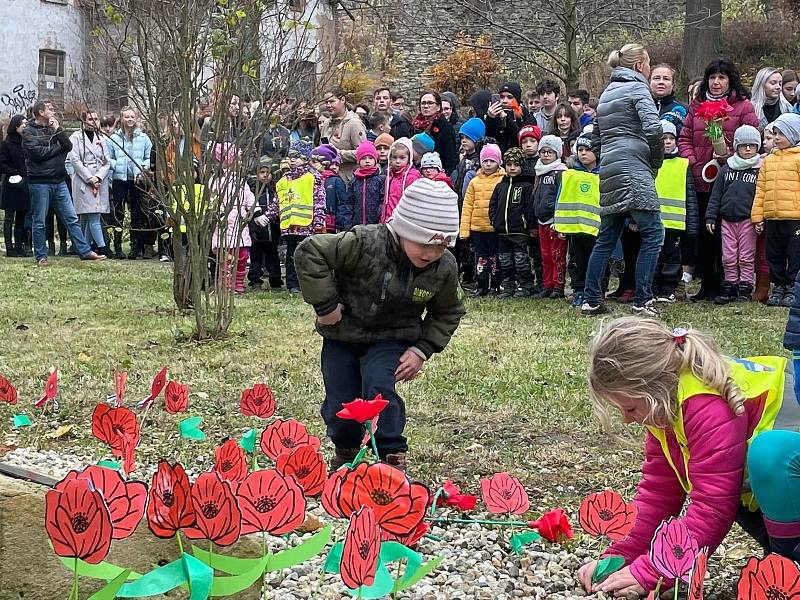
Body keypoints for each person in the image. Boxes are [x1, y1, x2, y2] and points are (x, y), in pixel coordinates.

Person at [580, 317, 798, 596]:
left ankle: (789, 569)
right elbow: (659, 493)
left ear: (653, 389)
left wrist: (653, 572)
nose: (626, 419)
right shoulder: (666, 405)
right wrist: (620, 556)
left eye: (631, 409)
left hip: (788, 475)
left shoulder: (705, 404)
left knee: (765, 456)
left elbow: (713, 507)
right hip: (784, 493)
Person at [294, 178, 466, 473]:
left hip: (392, 338)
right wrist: (326, 306)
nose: (431, 254)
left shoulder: (443, 267)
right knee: (341, 401)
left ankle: (391, 454)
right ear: (404, 230)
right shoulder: (364, 242)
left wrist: (421, 350)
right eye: (424, 244)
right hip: (342, 335)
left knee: (379, 388)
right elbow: (310, 252)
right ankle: (346, 449)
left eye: (440, 247)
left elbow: (449, 311)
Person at [580, 43, 664, 317]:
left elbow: (596, 138)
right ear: (640, 64)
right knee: (653, 232)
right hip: (635, 165)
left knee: (606, 237)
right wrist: (654, 162)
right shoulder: (639, 88)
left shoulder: (606, 94)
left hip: (611, 168)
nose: (650, 70)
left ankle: (590, 298)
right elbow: (653, 128)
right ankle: (643, 298)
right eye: (649, 64)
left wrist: (607, 161)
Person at [678, 58, 759, 302]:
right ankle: (707, 284)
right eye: (712, 78)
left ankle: (730, 282)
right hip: (702, 180)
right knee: (705, 233)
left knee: (729, 236)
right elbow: (685, 139)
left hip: (733, 181)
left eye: (721, 78)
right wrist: (696, 165)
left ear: (730, 80)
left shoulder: (743, 107)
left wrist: (729, 159)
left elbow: (752, 141)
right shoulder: (696, 106)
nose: (716, 82)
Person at [22, 100, 105, 265]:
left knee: (71, 218)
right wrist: (57, 149)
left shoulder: (54, 129)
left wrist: (58, 130)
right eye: (50, 109)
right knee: (40, 221)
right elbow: (37, 153)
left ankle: (85, 251)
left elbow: (67, 146)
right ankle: (41, 255)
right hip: (40, 181)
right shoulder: (29, 132)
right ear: (40, 112)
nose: (53, 111)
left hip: (59, 180)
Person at [705, 124, 761, 303]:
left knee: (746, 255)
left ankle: (745, 287)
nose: (747, 149)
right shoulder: (726, 169)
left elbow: (762, 195)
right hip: (727, 220)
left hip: (748, 220)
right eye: (743, 145)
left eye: (751, 146)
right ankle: (730, 285)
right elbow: (716, 195)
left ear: (757, 147)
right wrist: (710, 216)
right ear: (736, 146)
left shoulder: (759, 170)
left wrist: (760, 218)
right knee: (728, 255)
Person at [751, 112, 800, 308]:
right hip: (772, 217)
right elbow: (760, 189)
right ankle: (778, 285)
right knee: (774, 254)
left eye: (781, 134)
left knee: (795, 254)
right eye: (775, 133)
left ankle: (792, 287)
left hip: (795, 217)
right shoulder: (769, 161)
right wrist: (758, 216)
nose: (777, 138)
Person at [267, 139, 326, 294]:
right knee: (290, 256)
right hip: (289, 227)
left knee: (308, 256)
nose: (293, 159)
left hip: (307, 226)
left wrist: (319, 221)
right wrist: (266, 217)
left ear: (306, 159)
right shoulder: (282, 181)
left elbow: (319, 200)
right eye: (291, 156)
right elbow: (277, 203)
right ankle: (292, 284)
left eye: (297, 156)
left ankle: (308, 284)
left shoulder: (313, 177)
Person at [652, 121, 698, 303]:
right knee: (654, 257)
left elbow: (690, 196)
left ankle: (668, 288)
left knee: (672, 259)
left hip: (675, 224)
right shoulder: (651, 163)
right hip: (653, 222)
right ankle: (654, 287)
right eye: (664, 138)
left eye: (672, 138)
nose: (668, 142)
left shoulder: (682, 164)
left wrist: (691, 226)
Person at [553, 133, 600, 307]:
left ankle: (595, 290)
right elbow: (560, 199)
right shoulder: (569, 174)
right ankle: (579, 290)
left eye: (588, 150)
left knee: (596, 260)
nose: (583, 153)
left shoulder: (603, 174)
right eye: (580, 149)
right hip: (575, 228)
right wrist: (560, 225)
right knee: (576, 261)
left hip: (597, 229)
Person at [209, 143, 260, 294]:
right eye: (236, 159)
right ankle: (227, 285)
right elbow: (211, 200)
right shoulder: (215, 181)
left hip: (239, 225)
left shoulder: (240, 181)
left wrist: (256, 212)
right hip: (223, 225)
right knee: (226, 258)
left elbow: (249, 197)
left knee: (242, 256)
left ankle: (238, 283)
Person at [107, 106, 153, 259]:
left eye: (132, 117)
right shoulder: (114, 138)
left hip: (137, 180)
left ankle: (136, 247)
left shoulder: (143, 138)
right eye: (127, 117)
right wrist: (117, 165)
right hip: (120, 179)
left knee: (137, 214)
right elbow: (108, 157)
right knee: (118, 213)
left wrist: (142, 169)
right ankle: (118, 247)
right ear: (122, 119)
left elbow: (148, 158)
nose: (130, 119)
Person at [489, 147, 535, 298]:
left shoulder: (526, 186)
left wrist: (531, 226)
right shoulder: (500, 185)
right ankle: (508, 286)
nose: (512, 167)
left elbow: (529, 208)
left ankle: (525, 286)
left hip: (520, 231)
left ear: (522, 166)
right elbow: (493, 205)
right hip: (502, 231)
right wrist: (494, 220)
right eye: (509, 164)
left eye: (516, 164)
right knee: (505, 260)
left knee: (521, 260)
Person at [460, 143, 504, 297]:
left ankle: (495, 286)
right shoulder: (474, 182)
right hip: (478, 228)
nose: (489, 164)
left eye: (492, 160)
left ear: (499, 162)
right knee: (480, 259)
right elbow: (467, 206)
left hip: (494, 228)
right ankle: (481, 285)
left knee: (495, 258)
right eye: (485, 161)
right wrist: (464, 230)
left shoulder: (502, 180)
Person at [68, 111, 112, 257]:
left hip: (99, 179)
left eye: (96, 119)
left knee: (89, 215)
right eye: (90, 119)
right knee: (92, 214)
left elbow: (107, 161)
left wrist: (98, 177)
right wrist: (89, 178)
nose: (93, 121)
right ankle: (102, 247)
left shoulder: (102, 137)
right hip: (83, 179)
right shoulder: (75, 138)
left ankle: (85, 249)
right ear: (83, 121)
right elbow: (75, 160)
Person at [532, 135, 568, 299]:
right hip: (541, 220)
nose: (546, 155)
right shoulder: (539, 171)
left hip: (554, 221)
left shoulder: (560, 172)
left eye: (550, 152)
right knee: (545, 255)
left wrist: (558, 219)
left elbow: (562, 196)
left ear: (557, 153)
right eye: (543, 151)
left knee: (557, 255)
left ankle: (558, 285)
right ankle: (547, 284)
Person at [248, 157, 283, 291]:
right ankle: (255, 280)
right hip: (256, 230)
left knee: (273, 256)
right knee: (255, 257)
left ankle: (275, 281)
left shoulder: (275, 190)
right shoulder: (252, 190)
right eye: (261, 172)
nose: (264, 175)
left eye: (267, 172)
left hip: (272, 229)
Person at [319, 88, 367, 181]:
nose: (328, 105)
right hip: (328, 178)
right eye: (326, 102)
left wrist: (338, 154)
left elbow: (363, 153)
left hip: (347, 179)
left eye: (332, 101)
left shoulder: (353, 123)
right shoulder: (326, 124)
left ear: (342, 100)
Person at [0, 115, 30, 257]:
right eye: (22, 123)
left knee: (21, 217)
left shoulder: (26, 143)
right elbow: (2, 164)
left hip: (24, 184)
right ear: (15, 126)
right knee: (9, 218)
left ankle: (19, 247)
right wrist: (15, 173)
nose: (25, 125)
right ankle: (10, 248)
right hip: (11, 185)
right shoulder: (6, 144)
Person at [338, 140, 385, 230]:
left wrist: (379, 216)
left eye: (370, 158)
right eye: (363, 158)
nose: (367, 161)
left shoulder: (380, 180)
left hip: (375, 226)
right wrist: (347, 224)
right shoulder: (354, 181)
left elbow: (382, 202)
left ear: (375, 160)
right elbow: (348, 204)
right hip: (356, 226)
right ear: (358, 161)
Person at [410, 91, 459, 175]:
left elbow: (450, 156)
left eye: (430, 103)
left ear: (438, 107)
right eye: (423, 103)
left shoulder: (445, 127)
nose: (426, 106)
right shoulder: (415, 125)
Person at [380, 137, 420, 223]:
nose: (398, 161)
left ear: (409, 158)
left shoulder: (412, 176)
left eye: (402, 158)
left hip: (403, 221)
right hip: (387, 220)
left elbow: (414, 202)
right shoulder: (389, 175)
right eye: (394, 157)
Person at [311, 143, 346, 233]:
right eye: (332, 164)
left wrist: (339, 223)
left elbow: (342, 203)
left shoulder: (336, 181)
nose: (334, 167)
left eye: (337, 165)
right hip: (313, 221)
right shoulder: (312, 178)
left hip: (331, 223)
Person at [485, 82, 527, 153]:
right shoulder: (494, 114)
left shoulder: (524, 115)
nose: (505, 101)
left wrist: (507, 119)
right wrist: (490, 119)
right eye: (501, 97)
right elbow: (490, 139)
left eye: (510, 97)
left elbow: (521, 137)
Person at [649, 64, 687, 135]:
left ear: (673, 84)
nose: (661, 82)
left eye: (666, 79)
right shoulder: (641, 106)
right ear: (649, 81)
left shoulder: (685, 109)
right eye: (656, 78)